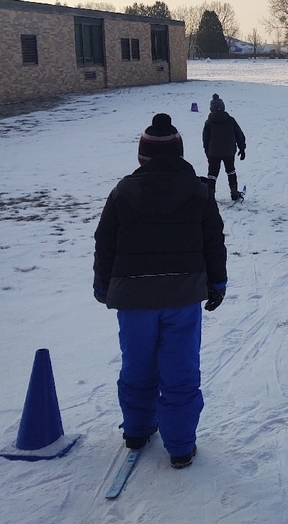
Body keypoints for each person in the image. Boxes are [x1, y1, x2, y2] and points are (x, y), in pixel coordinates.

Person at [93, 113, 228, 469]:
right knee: (180, 366)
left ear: (142, 158)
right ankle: (180, 446)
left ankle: (137, 429)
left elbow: (105, 242)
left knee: (137, 360)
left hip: (133, 296)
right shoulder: (199, 190)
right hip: (181, 295)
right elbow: (214, 242)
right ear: (181, 155)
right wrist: (217, 283)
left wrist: (103, 284)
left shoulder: (123, 190)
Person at [202, 94, 247, 201]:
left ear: (211, 109)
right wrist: (242, 148)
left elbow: (205, 139)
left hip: (213, 152)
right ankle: (234, 193)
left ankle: (210, 196)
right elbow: (239, 134)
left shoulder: (209, 122)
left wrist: (207, 152)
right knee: (231, 171)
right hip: (229, 151)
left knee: (212, 174)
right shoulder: (230, 120)